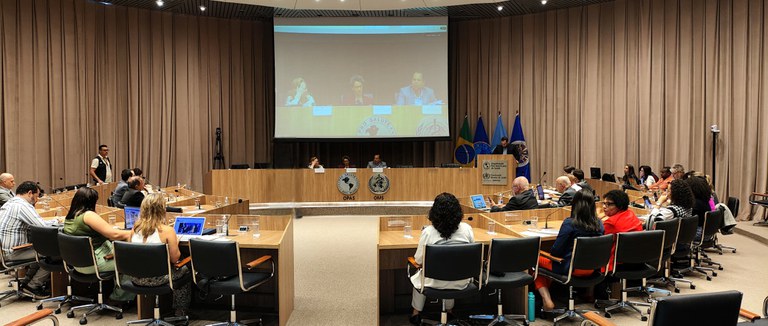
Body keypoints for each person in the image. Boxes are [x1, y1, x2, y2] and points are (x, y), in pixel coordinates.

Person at [409, 193, 474, 325]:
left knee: (420, 273)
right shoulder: (467, 229)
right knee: (453, 270)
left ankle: (416, 313)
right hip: (461, 282)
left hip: (433, 283)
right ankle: (449, 311)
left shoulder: (428, 232)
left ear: (434, 212)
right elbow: (472, 255)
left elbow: (419, 260)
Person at [534, 190, 604, 311]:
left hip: (570, 269)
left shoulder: (570, 223)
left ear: (574, 205)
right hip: (592, 269)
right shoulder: (599, 224)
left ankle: (547, 300)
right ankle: (589, 293)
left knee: (533, 259)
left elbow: (555, 252)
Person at [62, 188, 134, 302]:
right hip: (93, 263)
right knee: (132, 262)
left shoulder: (70, 216)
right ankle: (118, 298)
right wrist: (135, 232)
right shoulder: (88, 215)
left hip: (78, 263)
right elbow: (114, 234)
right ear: (91, 202)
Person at [130, 193, 191, 316]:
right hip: (158, 279)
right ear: (162, 210)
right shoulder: (167, 231)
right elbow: (175, 259)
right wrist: (175, 243)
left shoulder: (134, 229)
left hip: (136, 278)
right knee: (186, 270)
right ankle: (180, 311)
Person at [0, 181, 56, 296]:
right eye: (37, 196)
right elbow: (42, 226)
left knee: (38, 250)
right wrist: (57, 221)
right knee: (53, 252)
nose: (37, 199)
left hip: (4, 251)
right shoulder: (23, 206)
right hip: (13, 252)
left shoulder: (9, 203)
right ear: (30, 193)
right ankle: (33, 286)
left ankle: (26, 283)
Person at [601, 190, 643, 272]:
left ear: (619, 206)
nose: (604, 207)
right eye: (604, 203)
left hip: (616, 264)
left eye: (609, 204)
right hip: (637, 259)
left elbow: (602, 244)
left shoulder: (611, 223)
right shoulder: (630, 213)